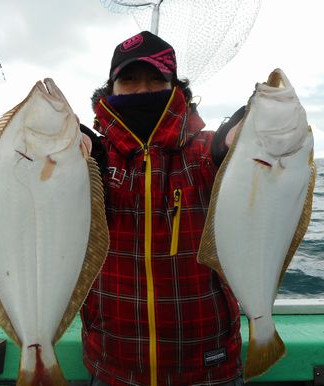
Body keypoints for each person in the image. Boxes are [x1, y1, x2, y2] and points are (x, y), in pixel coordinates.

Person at [80, 31, 246, 386]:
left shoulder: (203, 151)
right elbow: (79, 159)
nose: (143, 91)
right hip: (112, 364)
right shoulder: (95, 157)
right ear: (111, 91)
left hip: (209, 365)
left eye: (157, 79)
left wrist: (246, 129)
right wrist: (71, 140)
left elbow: (225, 146)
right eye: (129, 80)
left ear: (177, 89)